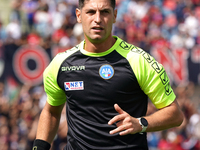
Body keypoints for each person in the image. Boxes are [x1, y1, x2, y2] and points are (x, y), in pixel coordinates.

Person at [32, 0, 184, 149]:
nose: (97, 19)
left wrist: (140, 123)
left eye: (104, 12)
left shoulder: (138, 60)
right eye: (91, 12)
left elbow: (175, 114)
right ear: (78, 15)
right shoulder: (60, 64)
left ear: (115, 15)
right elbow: (51, 111)